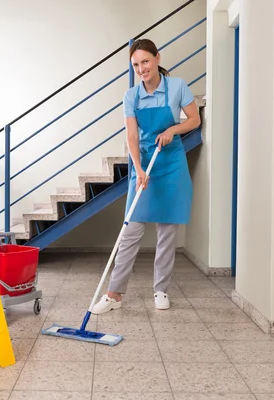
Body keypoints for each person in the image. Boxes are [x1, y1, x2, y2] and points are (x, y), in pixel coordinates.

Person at [91, 38, 201, 314]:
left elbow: (194, 119)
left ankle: (161, 290)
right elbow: (131, 135)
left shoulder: (177, 86)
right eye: (136, 64)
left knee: (167, 231)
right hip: (144, 164)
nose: (141, 68)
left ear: (157, 58)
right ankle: (114, 294)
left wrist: (173, 130)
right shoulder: (131, 96)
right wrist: (138, 170)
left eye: (145, 61)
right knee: (131, 230)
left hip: (172, 163)